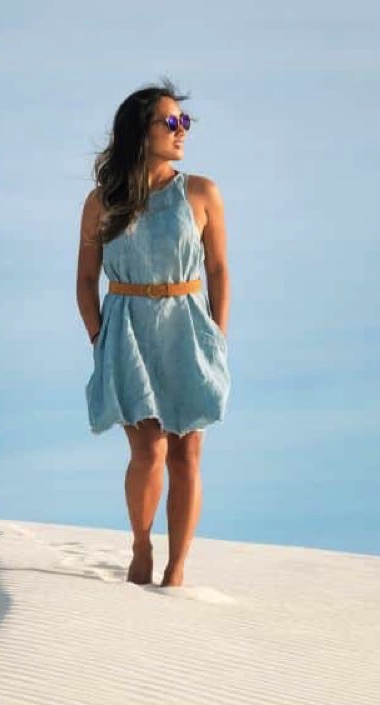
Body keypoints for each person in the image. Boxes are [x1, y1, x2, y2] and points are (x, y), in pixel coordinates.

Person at [77, 78, 231, 588]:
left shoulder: (202, 192)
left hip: (188, 326)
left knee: (187, 452)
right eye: (171, 121)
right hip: (127, 328)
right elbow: (84, 279)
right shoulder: (102, 201)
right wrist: (101, 338)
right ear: (140, 131)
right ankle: (142, 546)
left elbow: (219, 270)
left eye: (185, 122)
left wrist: (218, 337)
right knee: (148, 451)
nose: (181, 130)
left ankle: (177, 566)